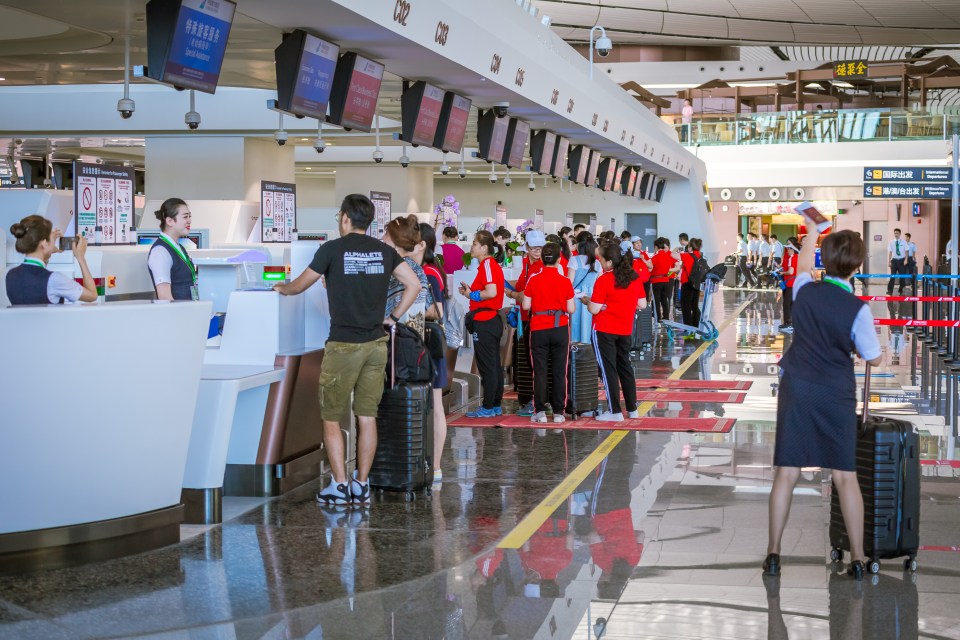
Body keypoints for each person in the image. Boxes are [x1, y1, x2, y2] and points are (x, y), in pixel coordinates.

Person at [274, 195, 421, 506]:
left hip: (343, 345)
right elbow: (414, 285)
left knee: (331, 417)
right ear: (368, 221)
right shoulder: (384, 252)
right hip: (375, 345)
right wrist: (392, 318)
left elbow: (299, 286)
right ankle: (362, 484)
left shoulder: (331, 250)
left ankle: (339, 486)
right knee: (367, 417)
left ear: (344, 218)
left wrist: (281, 288)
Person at [764, 226, 882, 581]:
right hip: (835, 391)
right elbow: (872, 357)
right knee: (846, 476)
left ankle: (773, 554)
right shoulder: (858, 309)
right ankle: (858, 559)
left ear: (825, 260)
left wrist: (812, 232)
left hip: (797, 385)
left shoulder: (804, 289)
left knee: (787, 472)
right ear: (857, 264)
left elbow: (801, 265)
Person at [582, 242, 647, 422]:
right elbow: (642, 304)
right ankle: (632, 409)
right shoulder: (633, 277)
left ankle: (615, 411)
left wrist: (587, 301)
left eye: (600, 259)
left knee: (607, 369)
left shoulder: (604, 279)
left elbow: (594, 309)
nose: (599, 263)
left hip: (604, 330)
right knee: (625, 367)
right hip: (625, 329)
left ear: (609, 261)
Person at [522, 242, 575, 423]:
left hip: (539, 328)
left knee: (540, 370)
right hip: (560, 328)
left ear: (542, 259)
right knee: (560, 370)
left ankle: (540, 412)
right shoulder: (565, 281)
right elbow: (571, 308)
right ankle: (559, 412)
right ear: (560, 260)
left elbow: (526, 305)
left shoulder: (534, 279)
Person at [459, 231, 506, 418]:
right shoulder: (489, 266)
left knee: (488, 365)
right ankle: (494, 405)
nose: (471, 247)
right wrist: (470, 292)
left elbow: (491, 292)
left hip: (485, 321)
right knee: (493, 364)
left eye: (474, 244)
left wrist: (472, 295)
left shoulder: (487, 264)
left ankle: (488, 406)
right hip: (490, 320)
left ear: (484, 248)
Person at [6, 215, 97, 305]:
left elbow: (35, 276)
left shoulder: (10, 275)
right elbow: (92, 295)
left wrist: (46, 252)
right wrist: (81, 257)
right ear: (44, 243)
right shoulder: (55, 279)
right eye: (51, 239)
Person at [418, 223, 449, 485]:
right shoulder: (430, 270)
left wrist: (408, 308)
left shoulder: (428, 273)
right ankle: (433, 466)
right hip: (429, 344)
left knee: (436, 405)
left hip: (428, 344)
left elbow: (436, 310)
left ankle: (436, 465)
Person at [506, 229, 546, 416]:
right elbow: (522, 285)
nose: (537, 251)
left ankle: (536, 402)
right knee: (529, 361)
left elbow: (525, 295)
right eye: (534, 248)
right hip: (526, 318)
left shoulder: (541, 267)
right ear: (527, 248)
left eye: (540, 248)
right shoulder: (526, 265)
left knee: (535, 363)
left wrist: (512, 294)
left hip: (535, 319)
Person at [147, 198, 198, 301]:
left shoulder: (179, 248)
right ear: (170, 221)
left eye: (189, 216)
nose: (189, 221)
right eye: (185, 217)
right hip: (177, 315)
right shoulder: (160, 251)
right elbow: (165, 297)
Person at [569, 234, 601, 344]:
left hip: (575, 298)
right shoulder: (597, 263)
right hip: (591, 298)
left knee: (575, 327)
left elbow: (569, 283)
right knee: (588, 325)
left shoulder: (574, 260)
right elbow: (599, 284)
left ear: (579, 245)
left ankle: (575, 355)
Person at [649, 237, 680, 323]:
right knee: (662, 299)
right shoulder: (666, 255)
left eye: (666, 247)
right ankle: (663, 317)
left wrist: (668, 271)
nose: (665, 248)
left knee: (661, 299)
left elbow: (650, 267)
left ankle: (660, 316)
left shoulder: (667, 255)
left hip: (663, 279)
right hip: (665, 279)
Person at [679, 237, 704, 328]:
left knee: (686, 307)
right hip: (697, 284)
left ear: (690, 248)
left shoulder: (687, 256)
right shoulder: (700, 256)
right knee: (694, 306)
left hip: (687, 283)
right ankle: (696, 325)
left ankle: (688, 328)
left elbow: (673, 255)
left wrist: (677, 249)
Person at [779, 237, 799, 333]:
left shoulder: (792, 257)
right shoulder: (797, 257)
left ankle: (788, 323)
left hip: (790, 283)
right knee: (791, 303)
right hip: (795, 283)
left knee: (786, 303)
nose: (787, 250)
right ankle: (791, 322)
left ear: (792, 249)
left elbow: (790, 271)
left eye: (789, 248)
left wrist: (783, 273)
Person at [887, 228, 908, 295]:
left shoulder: (904, 242)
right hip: (894, 261)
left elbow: (906, 251)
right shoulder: (891, 242)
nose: (896, 234)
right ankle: (890, 291)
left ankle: (901, 288)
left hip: (901, 261)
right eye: (895, 233)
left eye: (897, 233)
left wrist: (906, 260)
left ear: (900, 234)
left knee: (902, 276)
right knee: (892, 276)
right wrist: (889, 261)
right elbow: (890, 252)